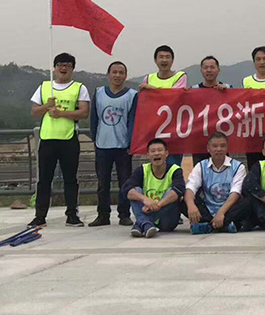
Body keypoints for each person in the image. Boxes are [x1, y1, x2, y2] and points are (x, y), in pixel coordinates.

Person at [28, 53, 91, 228]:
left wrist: (61, 113)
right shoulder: (44, 86)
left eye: (68, 65)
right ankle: (40, 216)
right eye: (60, 65)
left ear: (72, 69)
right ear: (55, 68)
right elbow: (34, 112)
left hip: (68, 139)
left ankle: (72, 215)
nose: (64, 68)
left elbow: (84, 113)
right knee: (44, 180)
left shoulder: (79, 88)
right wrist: (46, 106)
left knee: (70, 179)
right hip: (47, 139)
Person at [88, 61, 138, 227]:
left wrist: (131, 142)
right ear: (108, 75)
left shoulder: (132, 95)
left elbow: (133, 120)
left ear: (126, 76)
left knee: (125, 182)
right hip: (102, 145)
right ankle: (103, 215)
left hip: (123, 146)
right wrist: (95, 140)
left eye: (121, 72)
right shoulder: (99, 93)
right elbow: (94, 118)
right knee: (103, 183)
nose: (117, 75)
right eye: (114, 72)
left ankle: (124, 214)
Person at [183, 133, 253, 234]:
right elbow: (190, 187)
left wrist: (221, 213)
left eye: (222, 146)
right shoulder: (201, 166)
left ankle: (209, 226)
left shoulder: (238, 167)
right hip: (207, 210)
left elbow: (236, 192)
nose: (219, 149)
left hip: (229, 209)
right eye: (215, 146)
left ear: (227, 148)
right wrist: (191, 206)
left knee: (248, 202)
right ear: (208, 148)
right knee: (183, 200)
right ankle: (224, 226)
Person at [121, 138, 185, 238]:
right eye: (153, 151)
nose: (156, 153)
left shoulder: (175, 170)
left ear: (166, 153)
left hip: (167, 220)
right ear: (148, 155)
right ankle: (146, 225)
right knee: (135, 191)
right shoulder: (142, 169)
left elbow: (179, 190)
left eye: (160, 150)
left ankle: (141, 223)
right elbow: (126, 190)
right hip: (147, 209)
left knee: (171, 192)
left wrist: (157, 205)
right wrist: (145, 199)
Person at [140, 45, 187, 166]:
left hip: (174, 131)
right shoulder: (148, 78)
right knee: (156, 166)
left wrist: (152, 90)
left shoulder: (180, 76)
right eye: (161, 57)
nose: (164, 60)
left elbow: (174, 97)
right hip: (154, 131)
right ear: (155, 60)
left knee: (173, 167)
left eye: (167, 57)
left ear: (172, 60)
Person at [191, 56, 231, 166]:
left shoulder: (228, 88)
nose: (209, 70)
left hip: (221, 140)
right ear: (201, 70)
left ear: (218, 70)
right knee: (200, 170)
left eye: (212, 67)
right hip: (199, 142)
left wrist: (227, 92)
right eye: (206, 68)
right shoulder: (193, 90)